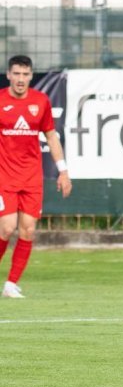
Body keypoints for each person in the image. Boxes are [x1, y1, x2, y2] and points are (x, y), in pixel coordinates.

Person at [0, 55, 72, 298]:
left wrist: (63, 170)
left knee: (28, 230)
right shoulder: (0, 100)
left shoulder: (40, 101)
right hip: (4, 177)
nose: (21, 79)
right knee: (7, 227)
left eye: (25, 74)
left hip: (31, 177)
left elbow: (52, 137)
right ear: (8, 75)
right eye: (16, 74)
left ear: (31, 76)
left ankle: (11, 284)